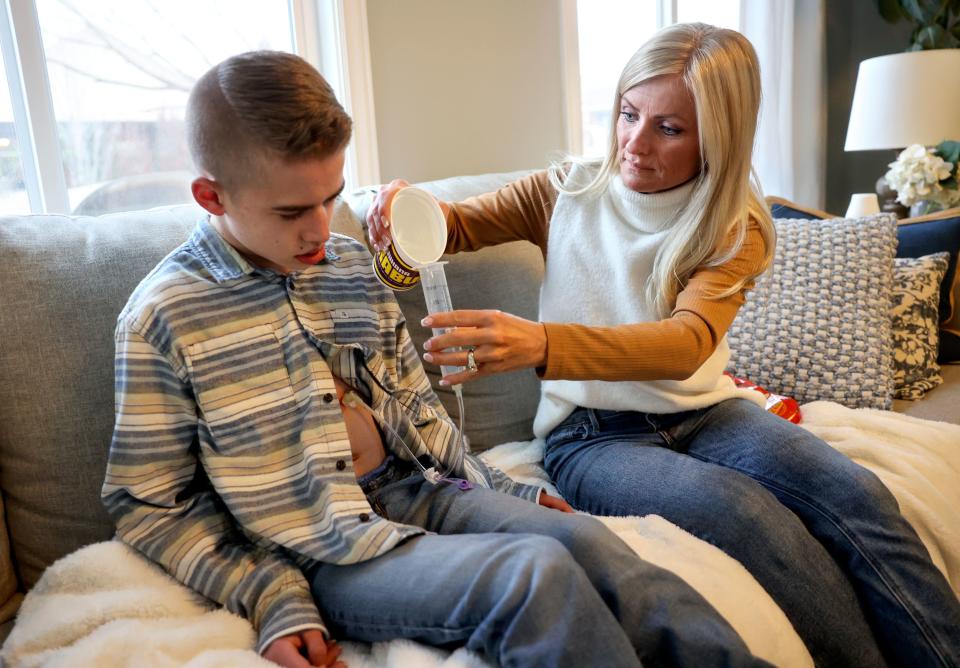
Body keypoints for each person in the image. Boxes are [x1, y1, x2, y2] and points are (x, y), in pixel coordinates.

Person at [100, 50, 772, 668]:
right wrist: (272, 595)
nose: (321, 228)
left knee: (592, 545)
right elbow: (149, 501)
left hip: (423, 489)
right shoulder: (164, 316)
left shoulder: (346, 263)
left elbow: (417, 414)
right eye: (292, 211)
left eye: (333, 198)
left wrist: (511, 493)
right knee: (536, 574)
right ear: (211, 197)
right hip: (324, 547)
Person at [367, 23, 960, 668]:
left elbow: (686, 343)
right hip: (591, 438)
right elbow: (447, 230)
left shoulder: (737, 224)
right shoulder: (564, 190)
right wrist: (403, 207)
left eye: (669, 129)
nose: (635, 144)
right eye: (629, 114)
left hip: (710, 412)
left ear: (717, 137)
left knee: (856, 493)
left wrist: (542, 344)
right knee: (747, 518)